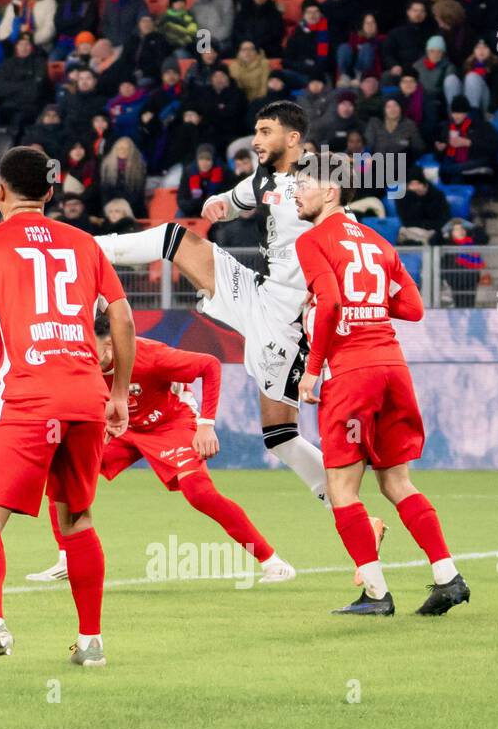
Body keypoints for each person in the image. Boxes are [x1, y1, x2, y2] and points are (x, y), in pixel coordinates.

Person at [0, 145, 135, 674]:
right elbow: (124, 320)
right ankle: (90, 642)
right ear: (50, 193)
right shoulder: (85, 244)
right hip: (87, 394)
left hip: (29, 393)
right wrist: (118, 394)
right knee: (76, 518)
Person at [96, 101, 332, 510]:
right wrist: (219, 202)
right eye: (255, 131)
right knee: (174, 238)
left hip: (289, 319)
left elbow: (341, 231)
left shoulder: (319, 181)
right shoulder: (265, 178)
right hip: (260, 292)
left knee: (279, 435)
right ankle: (86, 247)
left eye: (265, 132)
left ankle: (343, 504)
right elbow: (238, 197)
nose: (256, 140)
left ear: (293, 140)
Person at [294, 157, 470, 617]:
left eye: (303, 184)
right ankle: (448, 576)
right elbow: (412, 307)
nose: (295, 192)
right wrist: (370, 305)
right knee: (396, 481)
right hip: (393, 366)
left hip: (351, 373)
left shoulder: (313, 240)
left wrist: (313, 370)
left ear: (330, 192)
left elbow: (330, 302)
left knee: (341, 487)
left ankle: (375, 594)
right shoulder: (378, 241)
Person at [27, 321, 295, 584]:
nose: (81, 351)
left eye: (87, 345)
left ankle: (272, 561)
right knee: (63, 469)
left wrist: (206, 425)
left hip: (170, 422)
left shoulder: (149, 355)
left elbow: (209, 366)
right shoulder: (81, 362)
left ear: (109, 344)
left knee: (199, 493)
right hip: (123, 427)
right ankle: (68, 559)